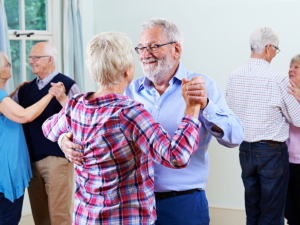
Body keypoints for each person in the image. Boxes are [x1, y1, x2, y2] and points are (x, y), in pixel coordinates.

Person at [59, 18, 244, 225]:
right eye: (141, 48)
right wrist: (64, 140)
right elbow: (77, 124)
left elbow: (235, 136)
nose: (145, 54)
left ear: (176, 49)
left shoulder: (202, 86)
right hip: (130, 206)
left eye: (154, 46)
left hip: (182, 205)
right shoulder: (125, 92)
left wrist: (206, 105)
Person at [42, 31, 201, 225]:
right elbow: (176, 156)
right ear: (128, 71)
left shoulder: (75, 105)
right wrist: (192, 109)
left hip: (85, 218)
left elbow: (48, 129)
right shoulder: (130, 113)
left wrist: (63, 139)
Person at [226, 27, 300, 225]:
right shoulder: (278, 79)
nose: (275, 53)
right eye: (276, 49)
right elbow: (298, 119)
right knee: (272, 213)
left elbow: (230, 113)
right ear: (268, 48)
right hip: (271, 153)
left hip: (245, 150)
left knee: (253, 210)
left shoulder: (234, 76)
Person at [11, 42, 81, 225]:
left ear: (50, 59)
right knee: (40, 217)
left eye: (36, 57)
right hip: (30, 161)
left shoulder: (68, 84)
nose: (31, 61)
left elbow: (81, 120)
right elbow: (9, 112)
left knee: (59, 217)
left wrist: (63, 99)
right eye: (30, 57)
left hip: (57, 160)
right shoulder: (24, 89)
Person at [0, 51, 60, 225]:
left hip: (8, 168)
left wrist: (15, 92)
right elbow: (24, 116)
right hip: (5, 172)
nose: (10, 66)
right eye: (7, 65)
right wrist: (50, 94)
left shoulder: (5, 97)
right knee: (8, 219)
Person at [285, 54, 300, 225]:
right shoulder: (285, 92)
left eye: (296, 67)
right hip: (285, 162)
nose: (291, 70)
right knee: (291, 213)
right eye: (290, 66)